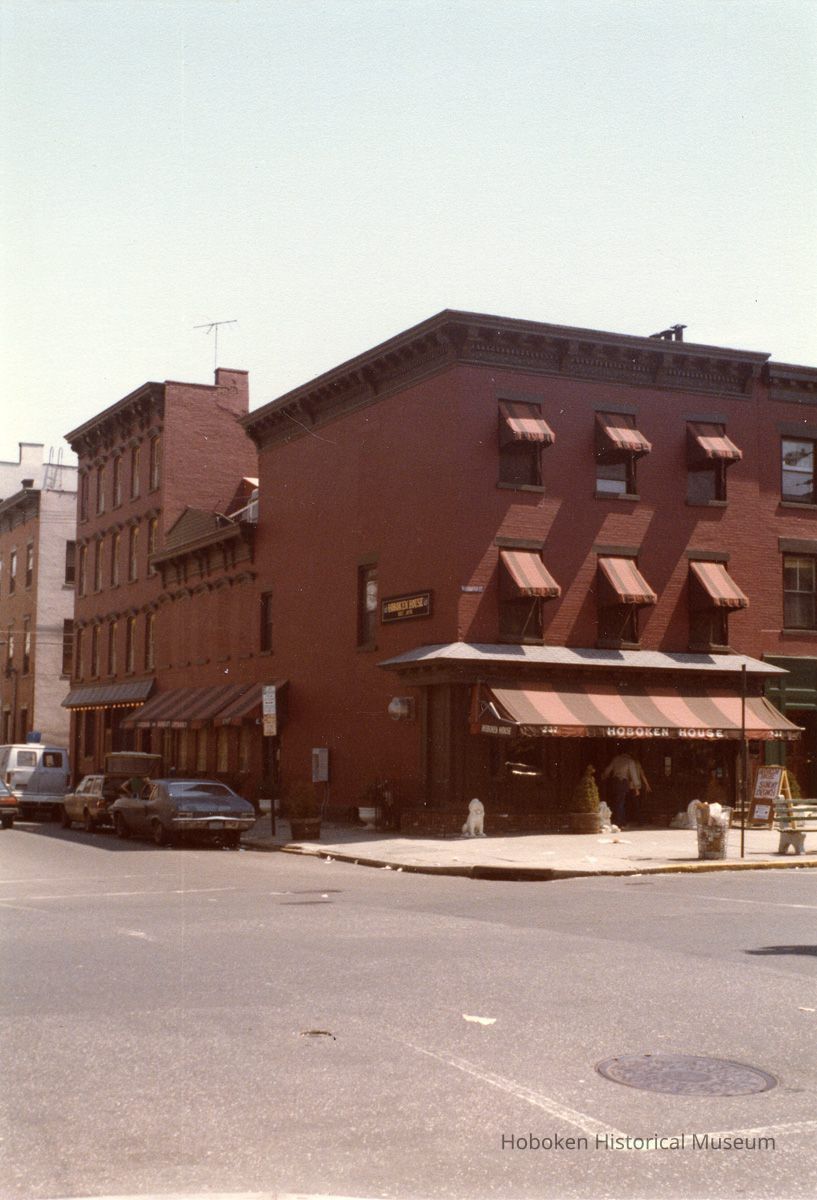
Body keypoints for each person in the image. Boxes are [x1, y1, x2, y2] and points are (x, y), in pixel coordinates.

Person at [602, 750, 650, 828]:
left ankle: (619, 821)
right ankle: (620, 822)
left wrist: (604, 776)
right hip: (623, 782)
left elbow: (608, 769)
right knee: (621, 802)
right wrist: (636, 788)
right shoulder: (630, 761)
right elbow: (634, 775)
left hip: (615, 782)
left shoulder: (616, 759)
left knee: (617, 802)